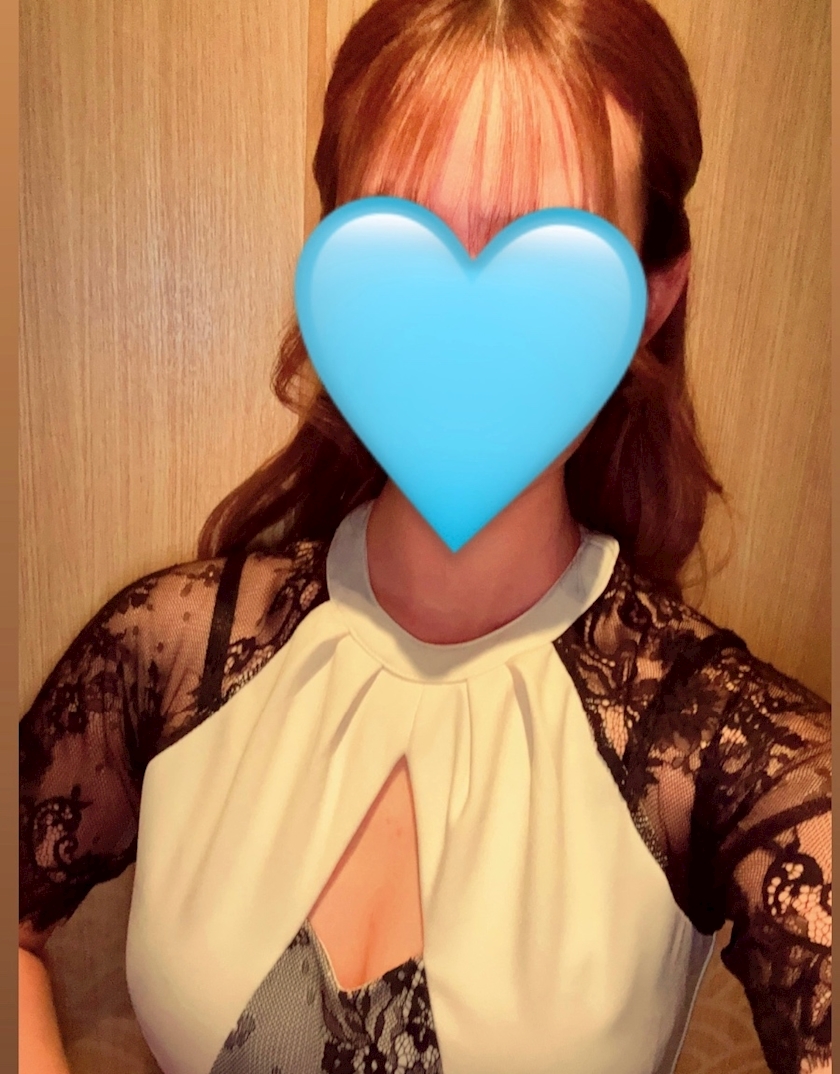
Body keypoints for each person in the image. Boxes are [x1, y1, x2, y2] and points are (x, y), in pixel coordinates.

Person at [19, 0, 831, 1072]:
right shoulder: (171, 647)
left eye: (547, 263)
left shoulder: (734, 753)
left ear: (652, 298)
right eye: (402, 242)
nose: (463, 333)